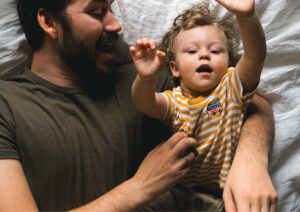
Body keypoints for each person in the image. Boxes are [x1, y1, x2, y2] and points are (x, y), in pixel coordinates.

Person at [0, 0, 276, 211]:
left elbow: (248, 99)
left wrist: (251, 160)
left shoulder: (141, 70)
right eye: (97, 12)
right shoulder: (8, 105)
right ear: (49, 22)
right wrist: (141, 187)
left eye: (111, 9)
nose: (115, 25)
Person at [130, 0, 276, 210]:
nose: (204, 55)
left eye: (215, 51)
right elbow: (146, 104)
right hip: (179, 192)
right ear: (175, 68)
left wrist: (246, 17)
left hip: (226, 194)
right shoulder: (176, 100)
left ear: (228, 62)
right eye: (191, 52)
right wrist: (145, 78)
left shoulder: (231, 85)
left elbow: (256, 56)